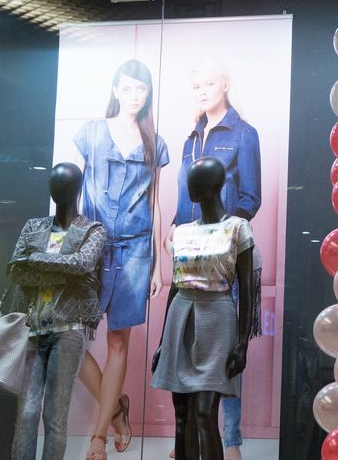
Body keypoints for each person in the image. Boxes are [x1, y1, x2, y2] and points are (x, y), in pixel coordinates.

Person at [72, 60, 170, 460]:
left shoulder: (154, 142)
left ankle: (98, 436)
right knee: (71, 337)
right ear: (115, 90)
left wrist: (158, 265)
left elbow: (154, 203)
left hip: (135, 252)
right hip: (92, 248)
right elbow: (73, 191)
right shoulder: (92, 132)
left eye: (140, 90)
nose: (133, 96)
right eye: (127, 88)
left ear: (148, 95)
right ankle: (116, 411)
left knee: (117, 342)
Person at [169, 58, 261, 460]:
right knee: (190, 350)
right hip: (188, 253)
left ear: (225, 84)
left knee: (224, 351)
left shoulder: (243, 133)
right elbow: (183, 197)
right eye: (196, 86)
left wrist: (222, 235)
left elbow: (251, 196)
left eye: (209, 83)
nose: (202, 91)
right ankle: (192, 441)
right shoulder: (191, 138)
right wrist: (177, 229)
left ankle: (230, 439)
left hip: (224, 255)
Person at [1, 163, 106, 460]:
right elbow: (16, 270)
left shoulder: (93, 230)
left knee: (55, 416)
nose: (59, 188)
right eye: (55, 182)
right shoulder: (33, 226)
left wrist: (35, 259)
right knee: (26, 413)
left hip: (68, 329)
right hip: (32, 326)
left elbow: (83, 264)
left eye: (66, 183)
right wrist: (66, 271)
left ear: (78, 188)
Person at [153, 157, 255, 460]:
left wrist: (242, 344)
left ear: (214, 186)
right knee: (182, 414)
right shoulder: (183, 232)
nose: (190, 187)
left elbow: (247, 291)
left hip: (218, 318)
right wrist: (162, 342)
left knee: (204, 413)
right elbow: (176, 284)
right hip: (180, 317)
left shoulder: (237, 228)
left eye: (196, 181)